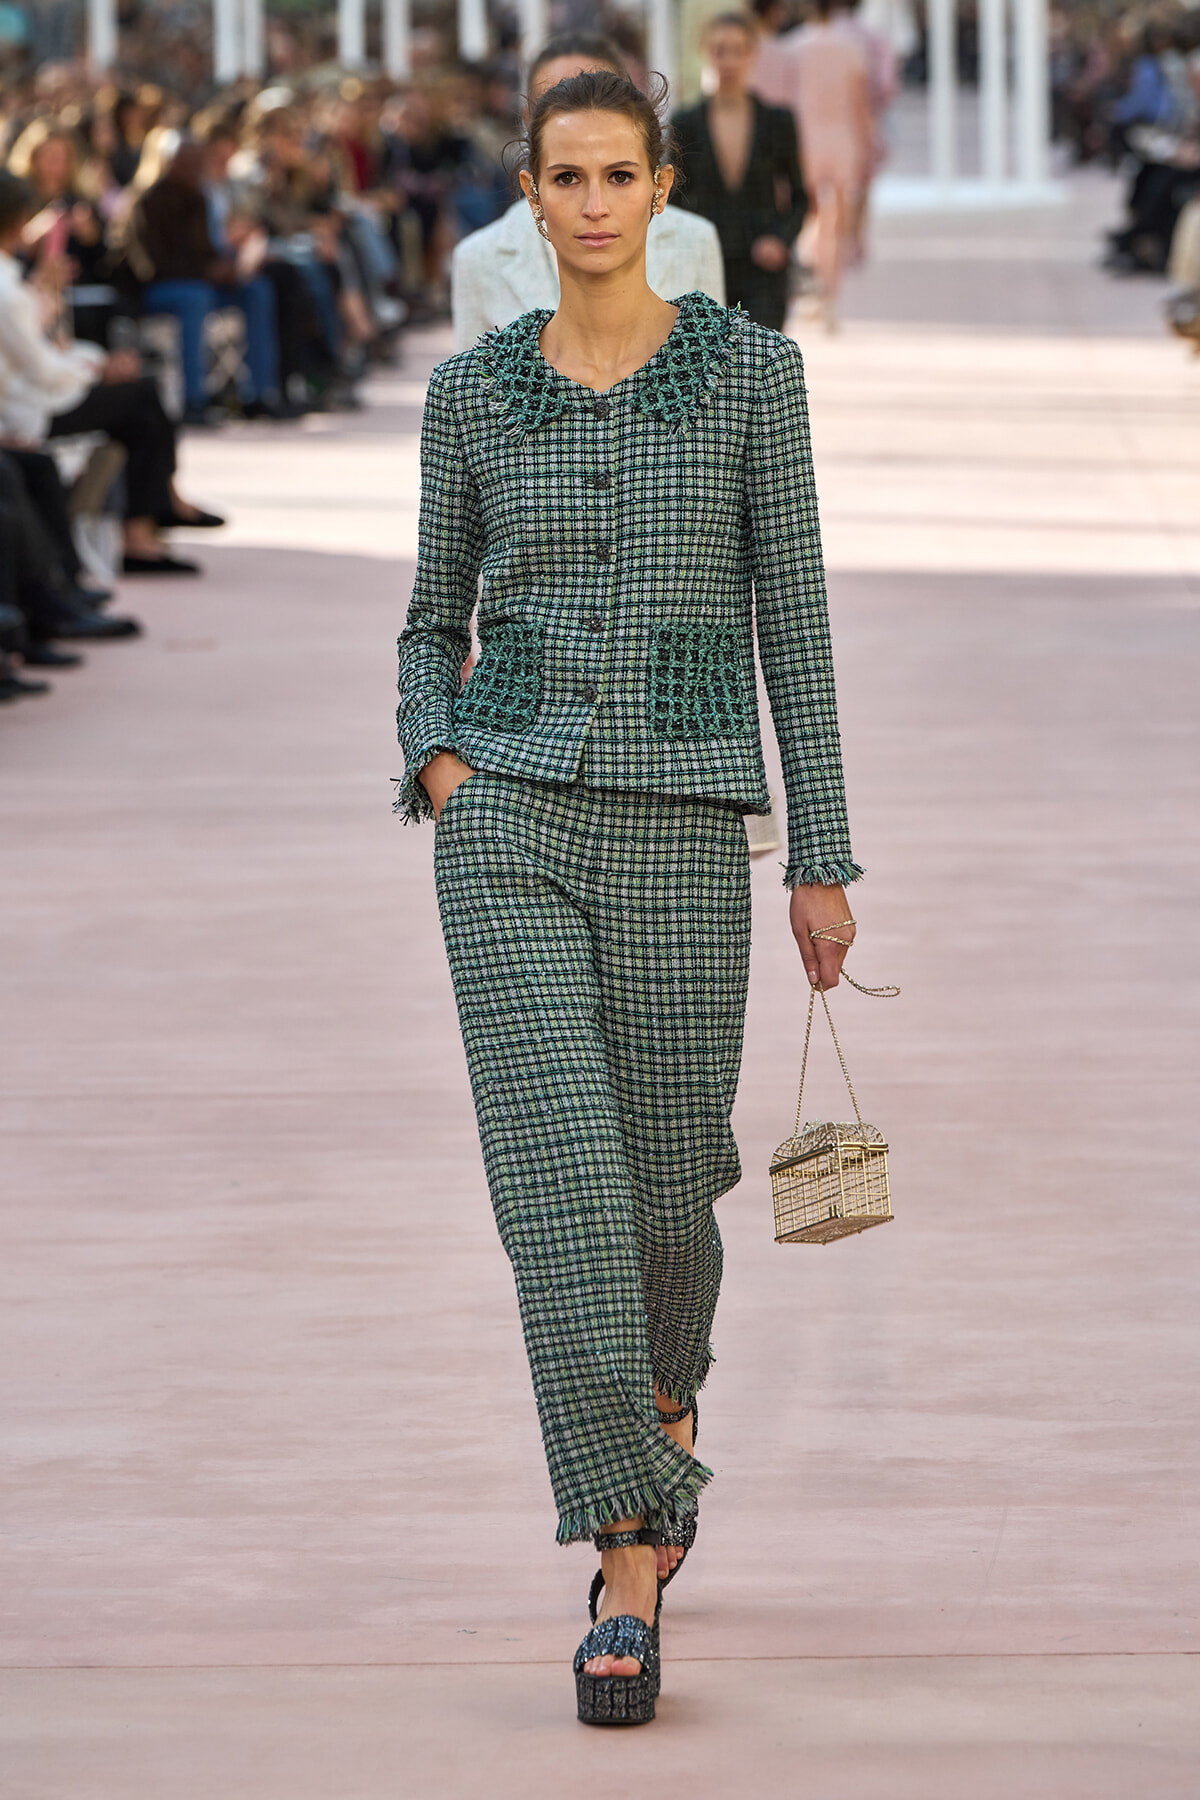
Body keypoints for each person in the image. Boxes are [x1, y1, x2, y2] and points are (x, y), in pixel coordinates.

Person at [395, 69, 862, 1726]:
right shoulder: (472, 396)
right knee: (562, 1193)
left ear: (662, 192)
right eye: (564, 177)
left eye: (620, 176)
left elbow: (790, 626)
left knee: (672, 1190)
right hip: (507, 822)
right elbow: (425, 618)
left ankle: (662, 1424)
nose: (592, 203)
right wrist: (440, 770)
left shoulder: (751, 382)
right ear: (528, 194)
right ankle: (622, 1562)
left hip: (679, 829)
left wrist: (823, 853)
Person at [0, 171, 220, 576]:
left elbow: (45, 353)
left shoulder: (12, 282)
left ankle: (147, 523)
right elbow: (41, 369)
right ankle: (145, 525)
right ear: (17, 223)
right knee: (141, 400)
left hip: (38, 393)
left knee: (141, 403)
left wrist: (89, 359)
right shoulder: (7, 289)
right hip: (26, 408)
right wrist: (97, 368)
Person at [450, 32, 725, 352]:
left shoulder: (694, 240)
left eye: (596, 90)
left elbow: (711, 370)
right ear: (528, 120)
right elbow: (475, 389)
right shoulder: (477, 258)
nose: (580, 111)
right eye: (555, 101)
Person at [125, 137, 282, 422]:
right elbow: (150, 266)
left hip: (201, 283)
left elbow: (207, 252)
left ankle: (260, 393)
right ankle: (193, 399)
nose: (195, 170)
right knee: (196, 297)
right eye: (187, 163)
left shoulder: (199, 198)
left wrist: (230, 266)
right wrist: (207, 272)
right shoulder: (148, 201)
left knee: (257, 289)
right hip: (161, 290)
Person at [670, 13, 806, 331]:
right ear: (705, 51)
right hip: (705, 265)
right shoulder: (685, 123)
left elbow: (800, 196)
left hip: (763, 265)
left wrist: (781, 239)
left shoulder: (778, 121)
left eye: (738, 50)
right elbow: (671, 198)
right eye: (720, 50)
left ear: (752, 54)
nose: (729, 60)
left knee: (760, 364)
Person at [761, 0, 877, 328]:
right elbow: (861, 107)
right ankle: (829, 299)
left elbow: (780, 101)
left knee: (803, 215)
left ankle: (809, 284)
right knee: (836, 222)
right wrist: (869, 146)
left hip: (803, 140)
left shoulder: (792, 47)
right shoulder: (851, 50)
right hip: (842, 140)